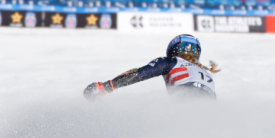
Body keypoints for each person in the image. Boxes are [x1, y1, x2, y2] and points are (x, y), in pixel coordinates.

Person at [83, 35, 221, 100]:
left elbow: (139, 73)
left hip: (186, 100)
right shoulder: (207, 73)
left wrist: (105, 86)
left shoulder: (172, 61)